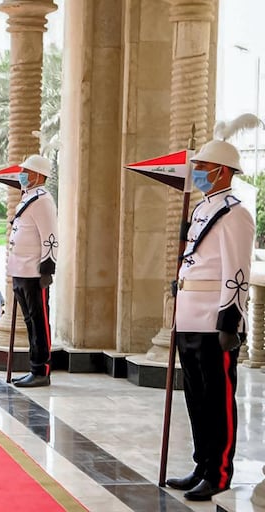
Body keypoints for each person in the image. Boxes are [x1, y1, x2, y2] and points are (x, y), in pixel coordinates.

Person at [165, 140, 254, 501]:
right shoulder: (203, 209)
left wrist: (230, 319)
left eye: (203, 165)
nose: (197, 171)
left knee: (217, 397)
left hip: (213, 319)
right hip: (189, 313)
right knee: (196, 396)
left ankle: (219, 472)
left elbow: (237, 269)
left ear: (223, 170)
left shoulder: (235, 213)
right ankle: (202, 464)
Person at [7, 154, 58, 388]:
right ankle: (33, 367)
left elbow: (50, 236)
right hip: (20, 269)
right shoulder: (27, 197)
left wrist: (48, 267)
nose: (22, 175)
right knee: (29, 320)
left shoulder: (43, 199)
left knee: (39, 322)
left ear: (38, 175)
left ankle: (41, 369)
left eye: (26, 171)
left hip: (34, 271)